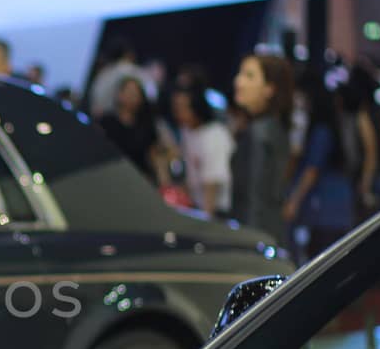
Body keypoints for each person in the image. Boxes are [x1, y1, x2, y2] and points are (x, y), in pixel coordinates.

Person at [282, 71, 356, 262]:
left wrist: (293, 202)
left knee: (321, 263)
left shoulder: (320, 131)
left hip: (325, 212)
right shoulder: (328, 127)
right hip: (332, 211)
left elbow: (311, 171)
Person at [229, 52, 293, 238]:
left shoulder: (258, 133)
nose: (238, 81)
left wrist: (250, 245)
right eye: (240, 74)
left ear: (269, 89)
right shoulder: (274, 127)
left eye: (249, 76)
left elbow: (254, 200)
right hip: (271, 233)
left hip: (256, 238)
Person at [171, 69, 233, 218]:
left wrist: (206, 219)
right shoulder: (187, 131)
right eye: (175, 108)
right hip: (196, 205)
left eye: (182, 108)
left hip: (216, 211)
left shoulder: (215, 134)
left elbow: (213, 182)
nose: (177, 113)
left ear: (196, 107)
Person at [343, 62, 380, 220]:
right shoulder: (375, 111)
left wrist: (365, 188)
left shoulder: (363, 114)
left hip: (373, 184)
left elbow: (371, 153)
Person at [99, 75, 165, 183]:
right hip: (112, 176)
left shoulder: (147, 123)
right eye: (128, 91)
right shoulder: (106, 122)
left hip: (141, 177)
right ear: (119, 94)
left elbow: (154, 152)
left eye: (136, 93)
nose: (132, 96)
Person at [86, 36, 150, 119]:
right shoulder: (128, 69)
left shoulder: (105, 71)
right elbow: (151, 92)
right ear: (128, 54)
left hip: (97, 115)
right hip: (115, 117)